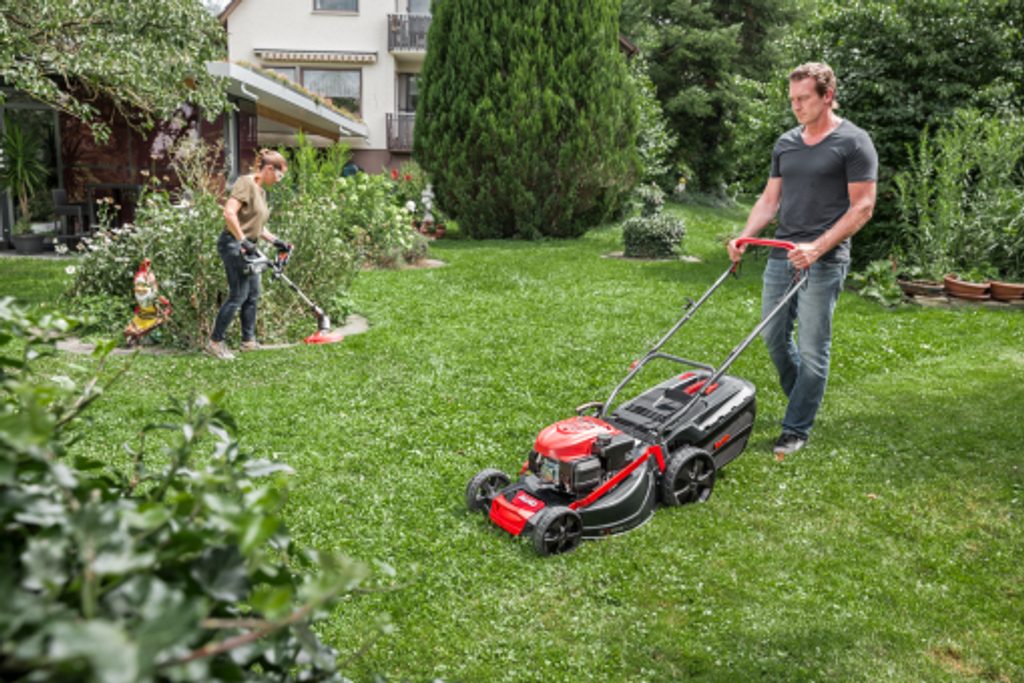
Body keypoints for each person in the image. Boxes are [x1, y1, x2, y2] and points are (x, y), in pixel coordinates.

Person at [727, 62, 877, 457]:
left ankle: (795, 427)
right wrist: (745, 235)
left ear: (828, 96)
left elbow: (863, 207)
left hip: (824, 260)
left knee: (812, 347)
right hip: (783, 255)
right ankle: (803, 398)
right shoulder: (786, 143)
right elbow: (769, 200)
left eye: (804, 98)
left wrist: (818, 248)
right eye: (792, 99)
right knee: (773, 336)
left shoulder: (854, 142)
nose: (796, 106)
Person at [205, 150, 292, 360]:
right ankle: (215, 343)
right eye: (279, 175)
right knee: (238, 295)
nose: (279, 180)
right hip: (233, 244)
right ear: (269, 168)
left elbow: (257, 227)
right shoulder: (246, 183)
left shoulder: (261, 192)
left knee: (252, 294)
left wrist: (277, 241)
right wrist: (242, 239)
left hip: (248, 246)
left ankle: (248, 341)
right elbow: (229, 213)